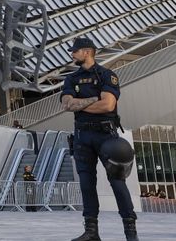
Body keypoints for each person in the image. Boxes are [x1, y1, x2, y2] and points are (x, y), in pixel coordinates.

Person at [60, 36, 137, 241]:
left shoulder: (106, 75)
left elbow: (108, 106)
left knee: (117, 182)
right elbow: (67, 104)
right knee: (86, 184)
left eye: (75, 51)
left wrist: (81, 103)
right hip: (82, 136)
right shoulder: (71, 78)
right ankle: (91, 232)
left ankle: (130, 232)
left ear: (86, 52)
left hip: (105, 136)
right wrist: (95, 99)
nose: (72, 54)